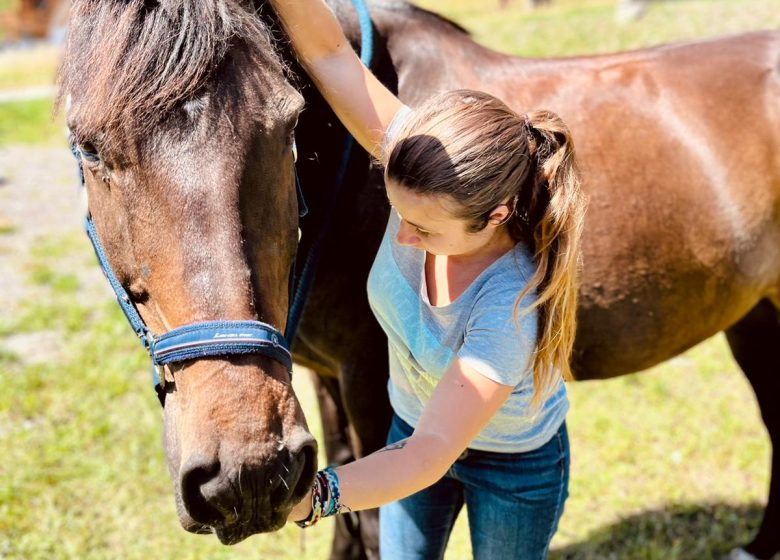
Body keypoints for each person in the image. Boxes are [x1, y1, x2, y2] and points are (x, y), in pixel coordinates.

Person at [270, 1, 586, 558]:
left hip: (512, 467)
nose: (403, 238)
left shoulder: (509, 308)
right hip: (410, 430)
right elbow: (330, 54)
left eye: (423, 228)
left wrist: (317, 496)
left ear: (494, 216)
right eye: (398, 212)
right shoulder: (424, 170)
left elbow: (431, 454)